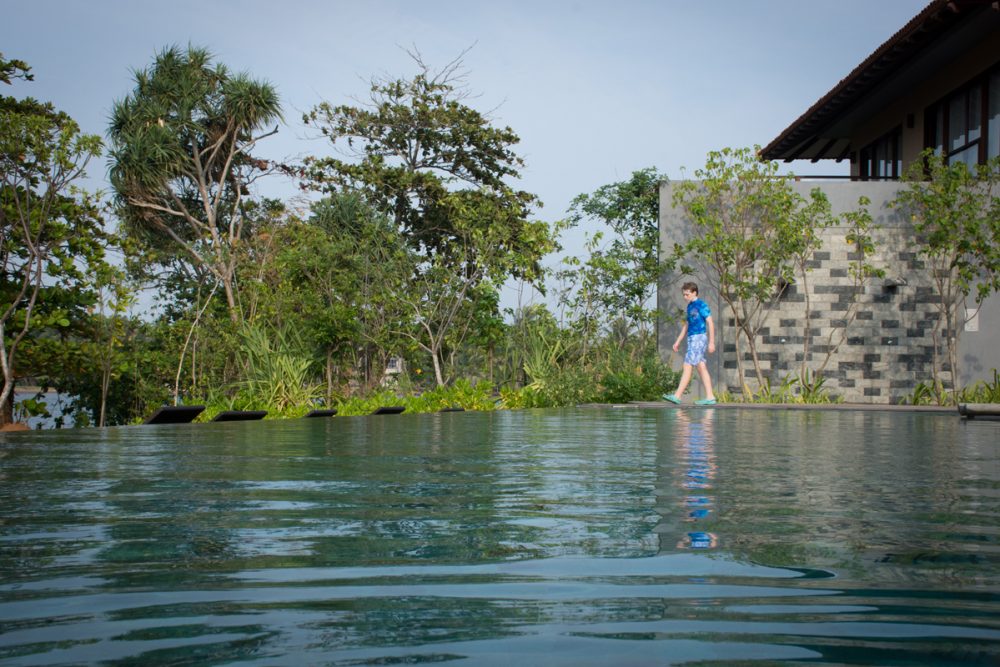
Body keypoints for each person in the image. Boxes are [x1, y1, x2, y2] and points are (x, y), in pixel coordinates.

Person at [663, 282, 717, 406]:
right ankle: (710, 397)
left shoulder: (701, 305)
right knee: (701, 367)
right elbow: (687, 325)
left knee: (687, 365)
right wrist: (677, 341)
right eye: (683, 294)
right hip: (691, 339)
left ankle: (677, 396)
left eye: (687, 294)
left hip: (699, 338)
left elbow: (710, 323)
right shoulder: (689, 307)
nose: (685, 297)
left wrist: (711, 342)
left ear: (694, 293)